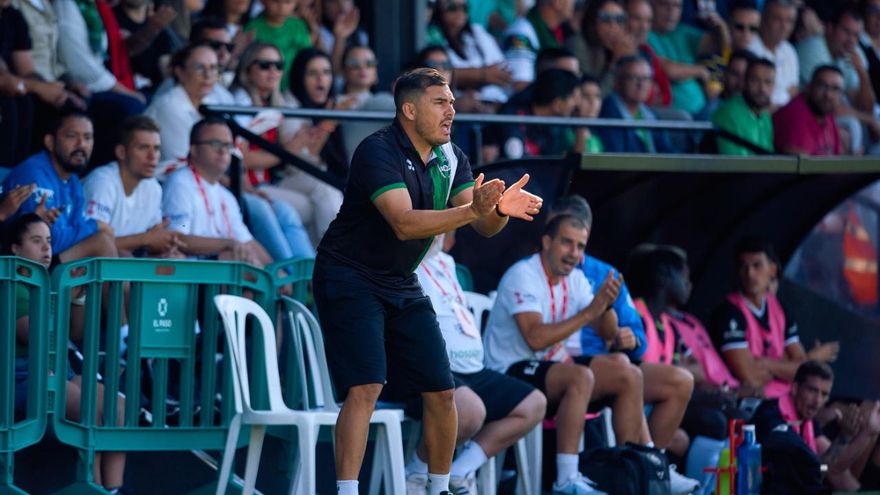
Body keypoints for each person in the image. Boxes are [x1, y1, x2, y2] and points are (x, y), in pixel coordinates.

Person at [312, 67, 542, 495]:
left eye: (453, 101)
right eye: (441, 102)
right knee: (366, 386)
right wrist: (475, 211)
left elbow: (483, 227)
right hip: (348, 274)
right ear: (409, 109)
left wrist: (498, 211)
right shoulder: (376, 151)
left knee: (442, 389)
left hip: (399, 278)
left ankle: (436, 488)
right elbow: (403, 223)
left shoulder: (450, 155)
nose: (451, 110)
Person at [548, 198, 701, 495]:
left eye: (575, 237)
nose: (569, 246)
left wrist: (630, 338)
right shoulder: (538, 266)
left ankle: (652, 467)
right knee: (623, 369)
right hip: (564, 368)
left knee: (679, 381)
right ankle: (651, 470)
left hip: (608, 366)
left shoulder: (606, 274)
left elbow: (637, 338)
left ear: (585, 232)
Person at [482, 214, 621, 495]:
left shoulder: (578, 279)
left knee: (624, 369)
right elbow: (534, 338)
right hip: (506, 371)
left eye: (580, 247)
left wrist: (605, 305)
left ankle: (641, 464)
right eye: (567, 243)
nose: (574, 253)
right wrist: (589, 312)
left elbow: (608, 333)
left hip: (548, 369)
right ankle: (566, 480)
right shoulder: (524, 274)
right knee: (580, 377)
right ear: (547, 242)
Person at [406, 232, 547, 493]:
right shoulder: (405, 259)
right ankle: (416, 470)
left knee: (534, 404)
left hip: (472, 368)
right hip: (428, 368)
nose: (447, 235)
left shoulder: (447, 264)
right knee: (470, 411)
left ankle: (459, 471)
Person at [6, 214, 128, 494]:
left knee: (117, 408)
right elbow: (36, 335)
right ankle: (93, 487)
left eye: (48, 241)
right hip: (22, 375)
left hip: (56, 370)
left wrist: (79, 297)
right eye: (36, 242)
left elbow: (74, 332)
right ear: (15, 249)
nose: (46, 249)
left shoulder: (48, 282)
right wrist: (64, 298)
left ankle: (115, 489)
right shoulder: (11, 284)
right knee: (90, 412)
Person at [627, 244, 747, 442]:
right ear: (663, 276)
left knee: (733, 416)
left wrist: (716, 399)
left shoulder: (668, 326)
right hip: (635, 401)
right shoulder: (636, 315)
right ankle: (652, 461)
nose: (688, 284)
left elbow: (676, 372)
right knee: (713, 421)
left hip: (661, 399)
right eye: (683, 277)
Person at [710, 237, 839, 398]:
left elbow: (801, 368)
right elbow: (750, 377)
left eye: (757, 265)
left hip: (786, 398)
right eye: (744, 266)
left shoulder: (779, 309)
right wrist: (809, 359)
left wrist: (765, 363)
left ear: (772, 269)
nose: (750, 273)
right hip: (751, 402)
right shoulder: (730, 312)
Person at [227, 41, 318, 258]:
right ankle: (298, 277)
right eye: (265, 65)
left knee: (316, 200)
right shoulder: (240, 101)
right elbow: (242, 158)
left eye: (278, 65)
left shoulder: (274, 101)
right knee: (292, 212)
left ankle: (310, 278)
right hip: (244, 186)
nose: (273, 71)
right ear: (248, 70)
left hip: (266, 184)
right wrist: (284, 152)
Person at [2, 110, 118, 263]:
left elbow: (75, 229)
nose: (81, 144)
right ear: (50, 142)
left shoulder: (73, 180)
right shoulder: (34, 175)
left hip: (54, 260)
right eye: (72, 136)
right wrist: (95, 225)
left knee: (120, 250)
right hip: (23, 265)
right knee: (101, 242)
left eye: (87, 137)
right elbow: (45, 244)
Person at [752, 361, 880, 492]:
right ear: (795, 388)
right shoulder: (771, 416)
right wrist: (843, 437)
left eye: (824, 394)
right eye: (812, 391)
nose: (817, 401)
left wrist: (866, 432)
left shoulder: (807, 419)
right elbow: (817, 471)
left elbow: (830, 467)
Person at [162, 117, 271, 266]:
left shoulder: (227, 196)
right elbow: (177, 238)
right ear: (193, 149)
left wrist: (275, 273)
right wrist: (227, 244)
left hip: (218, 267)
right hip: (193, 270)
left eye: (228, 145)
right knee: (237, 260)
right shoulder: (180, 182)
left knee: (251, 261)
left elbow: (247, 241)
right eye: (215, 144)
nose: (223, 151)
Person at [83, 115, 183, 258]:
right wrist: (147, 239)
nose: (152, 156)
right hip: (89, 270)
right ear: (121, 152)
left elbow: (154, 235)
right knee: (124, 256)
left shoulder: (153, 187)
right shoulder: (102, 181)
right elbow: (92, 246)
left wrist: (164, 245)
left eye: (156, 148)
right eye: (143, 148)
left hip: (127, 262)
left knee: (175, 259)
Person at [144, 43, 232, 178]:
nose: (208, 75)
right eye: (199, 67)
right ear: (180, 72)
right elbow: (189, 162)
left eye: (213, 68)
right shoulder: (169, 106)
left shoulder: (214, 100)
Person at [648, 0, 730, 117]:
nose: (671, 11)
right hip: (669, 116)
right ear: (651, 5)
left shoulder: (683, 32)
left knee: (725, 108)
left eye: (677, 6)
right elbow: (668, 71)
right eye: (664, 4)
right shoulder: (645, 34)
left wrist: (720, 27)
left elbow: (723, 49)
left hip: (700, 111)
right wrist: (701, 71)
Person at [426, 0, 513, 105]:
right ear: (438, 9)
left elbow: (502, 72)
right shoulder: (431, 36)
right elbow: (434, 74)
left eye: (464, 8)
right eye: (452, 7)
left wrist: (469, 77)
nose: (460, 12)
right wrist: (483, 75)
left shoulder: (477, 32)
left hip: (491, 105)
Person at [485, 68, 581, 160]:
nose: (576, 104)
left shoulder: (552, 128)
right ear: (557, 104)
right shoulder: (513, 119)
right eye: (573, 97)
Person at [595, 56, 676, 153]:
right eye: (633, 78)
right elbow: (616, 159)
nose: (641, 84)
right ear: (617, 82)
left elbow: (667, 151)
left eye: (646, 78)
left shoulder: (650, 114)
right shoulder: (607, 112)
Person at [502, 0, 577, 88]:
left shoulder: (552, 34)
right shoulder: (521, 32)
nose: (574, 2)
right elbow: (519, 85)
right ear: (557, 2)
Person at [772, 64, 845, 155]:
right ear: (809, 87)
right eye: (822, 86)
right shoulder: (796, 115)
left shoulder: (825, 111)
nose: (828, 95)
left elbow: (837, 156)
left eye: (835, 89)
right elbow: (802, 165)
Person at [568, 0, 637, 95]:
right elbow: (592, 97)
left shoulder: (618, 46)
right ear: (593, 20)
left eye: (619, 19)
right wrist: (615, 62)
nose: (613, 26)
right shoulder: (578, 44)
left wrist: (630, 61)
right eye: (606, 18)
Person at [113, 0, 179, 94]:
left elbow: (166, 66)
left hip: (157, 92)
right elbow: (128, 48)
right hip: (126, 91)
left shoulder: (160, 23)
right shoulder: (111, 18)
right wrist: (154, 27)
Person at [713, 57, 776, 154]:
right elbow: (734, 165)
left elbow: (769, 160)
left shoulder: (765, 116)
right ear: (745, 82)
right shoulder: (728, 113)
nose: (762, 88)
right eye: (755, 80)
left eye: (768, 82)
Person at [244, 0, 312, 90]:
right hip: (261, 86)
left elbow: (307, 57)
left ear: (296, 3)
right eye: (275, 1)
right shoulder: (253, 27)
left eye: (287, 2)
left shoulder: (298, 26)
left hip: (292, 87)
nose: (282, 7)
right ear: (263, 2)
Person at [749, 0, 800, 107]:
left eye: (789, 21)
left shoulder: (790, 51)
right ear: (763, 19)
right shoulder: (749, 46)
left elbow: (794, 94)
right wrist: (785, 98)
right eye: (778, 19)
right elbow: (755, 100)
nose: (784, 26)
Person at [625, 0, 673, 106]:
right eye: (637, 19)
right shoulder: (616, 53)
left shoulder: (647, 51)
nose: (644, 27)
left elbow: (667, 96)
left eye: (648, 21)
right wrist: (651, 92)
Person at [575, 74, 605, 153]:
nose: (592, 102)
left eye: (597, 96)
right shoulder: (564, 134)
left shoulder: (596, 137)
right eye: (585, 96)